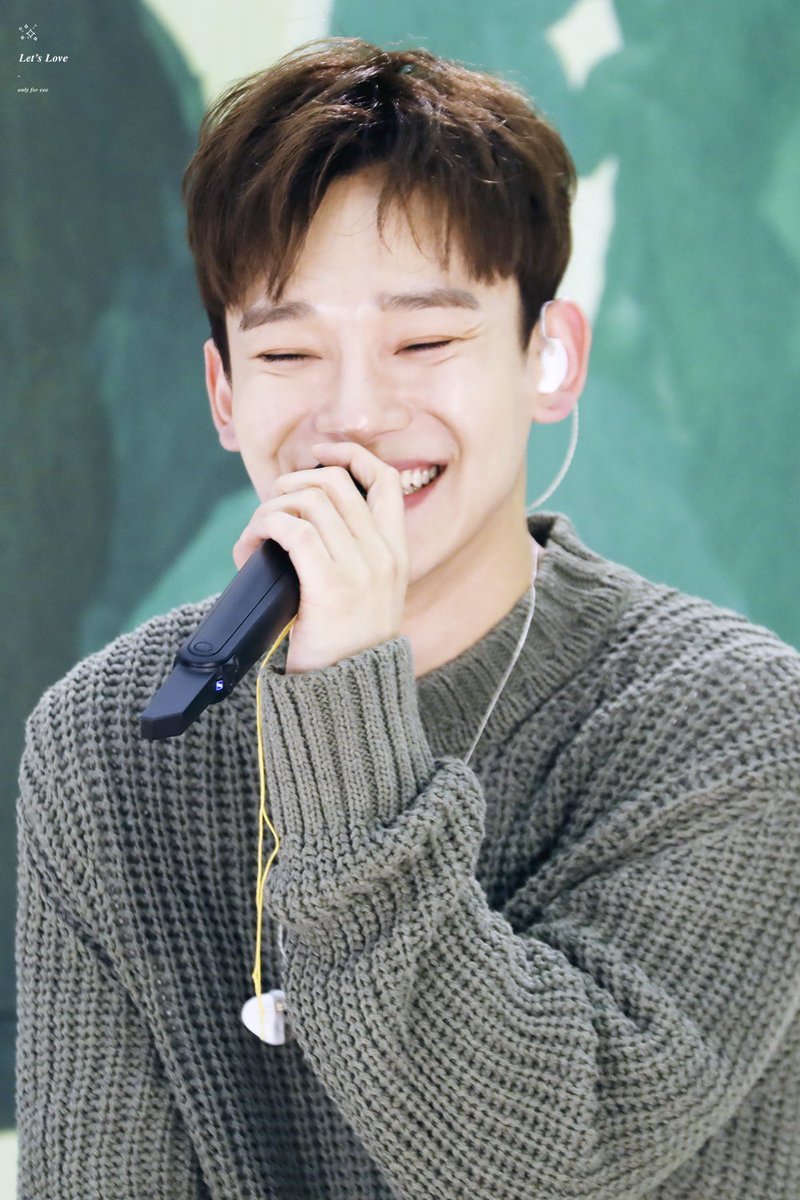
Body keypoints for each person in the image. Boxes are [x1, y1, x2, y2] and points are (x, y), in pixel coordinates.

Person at [15, 37, 800, 1200]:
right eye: (288, 351)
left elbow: (538, 1162)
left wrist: (341, 701)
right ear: (223, 395)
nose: (354, 415)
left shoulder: (735, 723)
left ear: (549, 358)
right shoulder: (103, 742)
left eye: (424, 341)